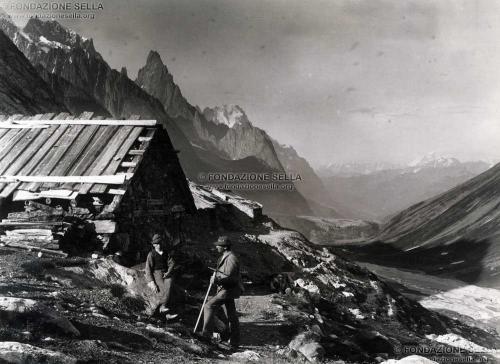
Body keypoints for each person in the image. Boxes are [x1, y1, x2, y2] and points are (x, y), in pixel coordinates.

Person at [201, 236, 242, 350]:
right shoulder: (225, 257)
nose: (216, 247)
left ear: (224, 247)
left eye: (218, 245)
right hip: (226, 289)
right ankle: (234, 343)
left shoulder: (231, 258)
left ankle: (206, 336)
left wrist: (217, 279)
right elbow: (225, 274)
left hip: (228, 290)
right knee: (231, 316)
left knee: (208, 306)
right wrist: (217, 276)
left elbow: (231, 278)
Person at [145, 233, 178, 320]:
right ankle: (161, 309)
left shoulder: (166, 253)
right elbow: (148, 269)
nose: (158, 245)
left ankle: (165, 311)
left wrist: (168, 272)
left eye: (160, 243)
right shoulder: (151, 254)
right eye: (156, 244)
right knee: (163, 289)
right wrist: (152, 282)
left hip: (166, 273)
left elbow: (172, 263)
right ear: (153, 245)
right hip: (156, 273)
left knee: (170, 286)